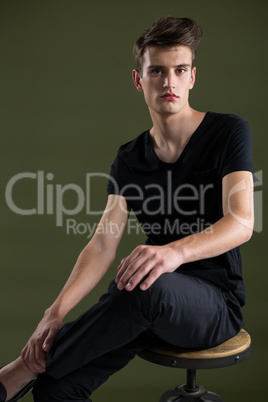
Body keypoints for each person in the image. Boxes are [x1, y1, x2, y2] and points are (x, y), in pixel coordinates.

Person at [0, 16, 254, 402]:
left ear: (192, 78)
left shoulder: (228, 132)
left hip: (213, 305)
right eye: (157, 71)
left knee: (146, 285)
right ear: (139, 80)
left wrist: (173, 253)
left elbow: (241, 221)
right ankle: (41, 373)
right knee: (56, 389)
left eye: (179, 70)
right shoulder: (130, 158)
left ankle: (19, 371)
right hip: (145, 301)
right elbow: (102, 245)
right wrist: (54, 312)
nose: (169, 82)